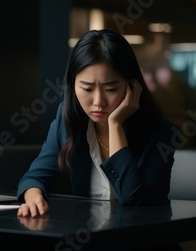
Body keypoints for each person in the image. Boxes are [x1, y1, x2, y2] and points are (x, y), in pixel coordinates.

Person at [17, 29, 177, 218]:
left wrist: (115, 124)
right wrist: (34, 195)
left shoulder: (160, 132)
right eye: (87, 88)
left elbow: (133, 200)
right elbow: (34, 177)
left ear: (132, 86)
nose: (98, 101)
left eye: (110, 89)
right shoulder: (67, 119)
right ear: (73, 85)